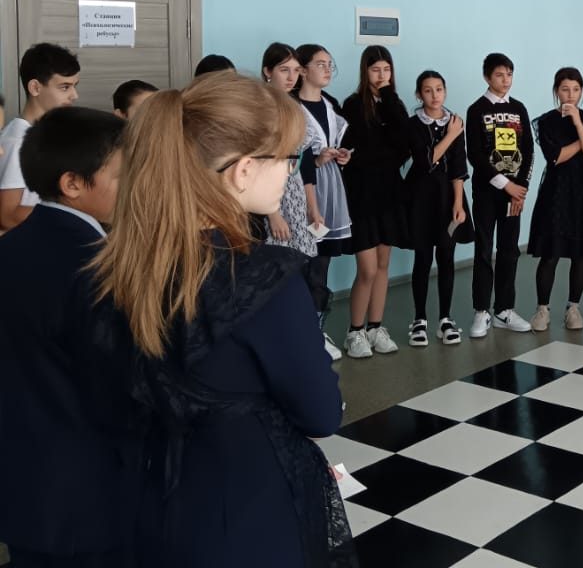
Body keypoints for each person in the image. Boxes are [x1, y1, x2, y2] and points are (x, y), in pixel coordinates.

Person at [91, 72, 353, 568]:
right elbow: (321, 414)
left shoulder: (120, 261)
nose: (291, 172)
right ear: (244, 170)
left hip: (152, 497)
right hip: (249, 505)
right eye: (288, 159)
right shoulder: (265, 277)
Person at [0, 107, 137, 567]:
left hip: (23, 486)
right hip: (93, 492)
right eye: (120, 176)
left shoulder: (9, 249)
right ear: (72, 183)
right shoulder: (98, 268)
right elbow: (122, 385)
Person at [340, 46, 410, 358]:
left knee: (383, 265)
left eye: (386, 69)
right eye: (375, 70)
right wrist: (381, 155)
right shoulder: (353, 105)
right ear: (364, 71)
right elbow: (356, 152)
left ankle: (375, 327)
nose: (382, 75)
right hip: (362, 194)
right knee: (366, 269)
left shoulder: (395, 103)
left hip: (390, 193)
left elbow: (406, 146)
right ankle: (354, 332)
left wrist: (390, 101)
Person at [465, 52, 535, 337]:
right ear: (487, 77)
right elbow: (475, 155)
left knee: (509, 250)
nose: (505, 80)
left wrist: (520, 190)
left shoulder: (519, 108)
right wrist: (505, 184)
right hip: (487, 192)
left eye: (509, 74)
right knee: (484, 249)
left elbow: (528, 150)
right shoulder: (477, 109)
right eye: (499, 75)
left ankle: (504, 310)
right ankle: (481, 310)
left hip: (514, 195)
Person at [528, 67, 583, 332]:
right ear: (556, 91)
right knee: (550, 253)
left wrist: (579, 124)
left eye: (576, 89)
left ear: (581, 91)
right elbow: (556, 157)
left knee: (581, 254)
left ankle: (573, 308)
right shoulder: (546, 121)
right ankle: (542, 309)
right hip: (555, 191)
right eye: (565, 89)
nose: (570, 94)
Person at [294, 44, 353, 361]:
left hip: (330, 186)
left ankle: (317, 328)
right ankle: (300, 332)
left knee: (322, 263)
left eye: (330, 64)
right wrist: (316, 160)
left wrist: (340, 156)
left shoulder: (330, 104)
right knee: (301, 264)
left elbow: (335, 144)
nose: (328, 70)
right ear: (303, 70)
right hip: (302, 189)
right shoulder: (292, 107)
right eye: (320, 64)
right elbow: (297, 157)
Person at [403, 70, 468, 347]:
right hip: (420, 197)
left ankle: (445, 319)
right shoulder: (413, 124)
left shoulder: (455, 121)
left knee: (446, 257)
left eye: (439, 89)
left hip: (447, 197)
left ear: (445, 91)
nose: (434, 95)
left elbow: (459, 166)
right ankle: (419, 319)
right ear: (419, 94)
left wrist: (458, 203)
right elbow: (425, 161)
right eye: (428, 90)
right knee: (422, 258)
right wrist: (451, 135)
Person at [0, 42, 80, 233]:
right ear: (35, 87)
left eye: (74, 86)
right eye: (65, 87)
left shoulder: (41, 136)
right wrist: (70, 214)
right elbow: (8, 215)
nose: (74, 95)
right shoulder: (18, 142)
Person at [261, 44, 318, 260]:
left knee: (300, 260)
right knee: (277, 260)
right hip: (270, 194)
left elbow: (303, 159)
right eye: (284, 70)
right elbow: (260, 164)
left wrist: (311, 206)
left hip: (295, 187)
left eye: (296, 70)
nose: (291, 77)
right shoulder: (261, 106)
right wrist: (273, 214)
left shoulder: (294, 105)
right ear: (268, 71)